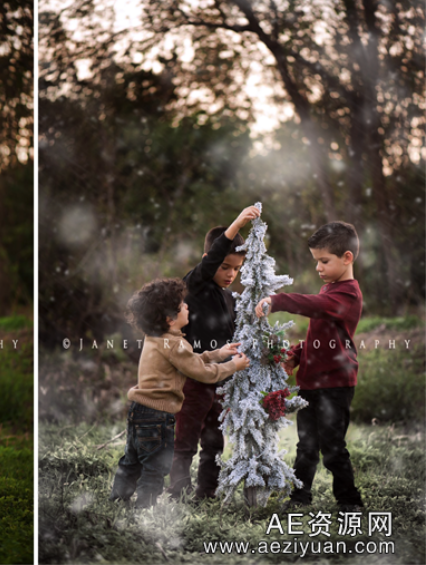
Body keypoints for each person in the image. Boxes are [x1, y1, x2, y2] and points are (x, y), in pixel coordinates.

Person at [109, 278, 250, 509]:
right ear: (169, 318)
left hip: (139, 410)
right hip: (158, 416)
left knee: (131, 460)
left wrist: (218, 353)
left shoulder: (157, 338)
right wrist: (232, 366)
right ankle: (144, 510)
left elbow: (191, 360)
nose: (188, 307)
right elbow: (201, 372)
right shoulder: (176, 345)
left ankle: (118, 500)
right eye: (183, 306)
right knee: (156, 467)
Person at [255, 221, 364, 510]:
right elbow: (318, 338)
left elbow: (312, 305)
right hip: (310, 384)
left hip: (335, 385)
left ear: (347, 258)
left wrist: (277, 300)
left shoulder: (347, 295)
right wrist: (296, 355)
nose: (318, 267)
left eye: (324, 261)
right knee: (306, 447)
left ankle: (350, 502)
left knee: (333, 448)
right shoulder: (330, 289)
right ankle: (300, 498)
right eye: (316, 261)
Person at [168, 205, 259, 501]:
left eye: (237, 268)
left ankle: (206, 492)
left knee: (213, 440)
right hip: (193, 378)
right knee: (185, 440)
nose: (231, 273)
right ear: (210, 261)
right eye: (225, 267)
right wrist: (237, 224)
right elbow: (210, 262)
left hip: (221, 378)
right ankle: (178, 491)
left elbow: (233, 333)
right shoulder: (194, 285)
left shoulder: (230, 296)